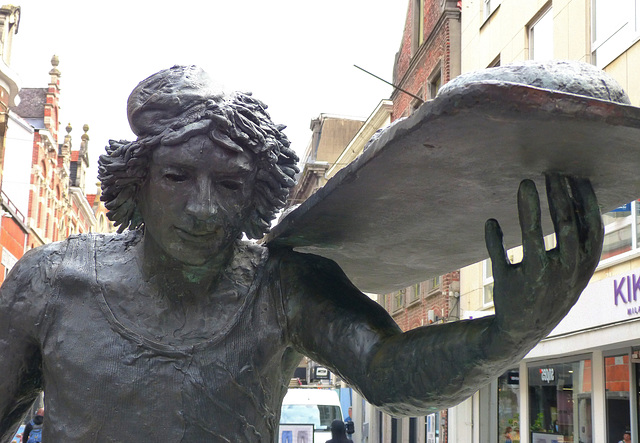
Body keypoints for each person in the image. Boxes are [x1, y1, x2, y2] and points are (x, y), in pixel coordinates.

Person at [0, 65, 604, 442]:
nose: (203, 208)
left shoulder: (281, 285)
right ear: (139, 178)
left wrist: (501, 338)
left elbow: (385, 368)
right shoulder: (50, 284)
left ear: (255, 196)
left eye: (230, 184)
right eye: (178, 177)